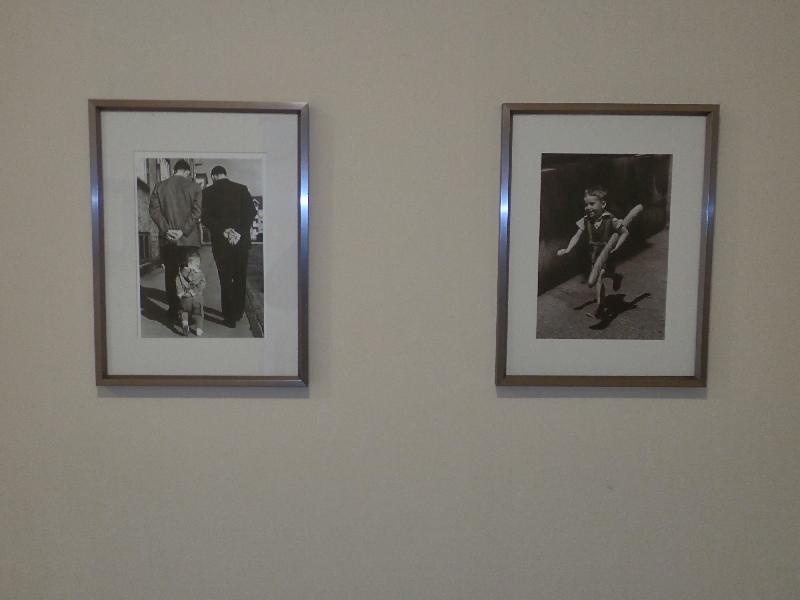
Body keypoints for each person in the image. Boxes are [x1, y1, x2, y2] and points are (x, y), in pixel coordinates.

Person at [557, 186, 629, 318]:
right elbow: (577, 235)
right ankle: (612, 285)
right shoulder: (585, 220)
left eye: (592, 204)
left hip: (608, 253)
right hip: (594, 254)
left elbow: (625, 232)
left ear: (603, 204)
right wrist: (568, 249)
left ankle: (601, 305)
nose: (588, 207)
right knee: (600, 277)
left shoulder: (610, 219)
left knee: (601, 276)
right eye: (586, 204)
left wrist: (617, 246)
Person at [148, 159, 203, 326]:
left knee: (171, 275)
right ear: (187, 172)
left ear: (174, 170)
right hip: (189, 239)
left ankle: (174, 311)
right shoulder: (195, 187)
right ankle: (189, 313)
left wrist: (167, 229)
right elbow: (197, 212)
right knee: (190, 275)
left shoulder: (160, 186)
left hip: (168, 239)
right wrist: (183, 231)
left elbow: (154, 211)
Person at [201, 165, 257, 327]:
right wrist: (238, 232)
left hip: (221, 243)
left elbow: (205, 217)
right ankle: (238, 312)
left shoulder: (207, 193)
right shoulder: (242, 189)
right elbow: (251, 212)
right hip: (241, 242)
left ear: (213, 176)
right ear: (225, 174)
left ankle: (229, 318)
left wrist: (224, 231)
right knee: (240, 278)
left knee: (225, 279)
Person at [175, 251, 207, 336]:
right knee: (198, 314)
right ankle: (199, 329)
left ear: (188, 263)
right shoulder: (200, 274)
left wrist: (180, 292)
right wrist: (196, 291)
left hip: (185, 298)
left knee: (183, 312)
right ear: (198, 263)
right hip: (197, 298)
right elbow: (203, 284)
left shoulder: (181, 273)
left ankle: (185, 323)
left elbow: (178, 282)